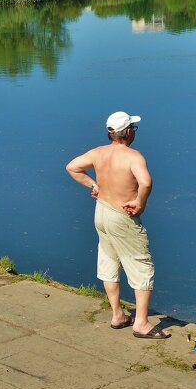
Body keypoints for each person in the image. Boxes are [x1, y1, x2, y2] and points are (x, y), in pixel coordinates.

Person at [65, 111, 169, 339]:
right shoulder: (133, 156)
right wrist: (140, 202)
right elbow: (146, 182)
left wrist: (93, 185)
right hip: (122, 216)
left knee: (109, 260)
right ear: (129, 132)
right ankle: (141, 323)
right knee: (141, 265)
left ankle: (118, 315)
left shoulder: (98, 153)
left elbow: (72, 167)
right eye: (134, 128)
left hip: (101, 212)